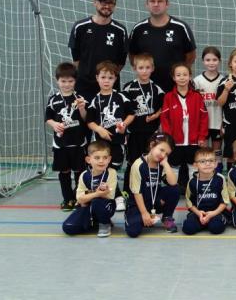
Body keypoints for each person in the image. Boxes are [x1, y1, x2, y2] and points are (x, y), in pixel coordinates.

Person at [84, 61, 135, 212]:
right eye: (103, 77)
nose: (106, 81)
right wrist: (99, 129)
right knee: (103, 168)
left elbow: (132, 114)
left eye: (110, 78)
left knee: (114, 168)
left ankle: (114, 194)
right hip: (101, 143)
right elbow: (89, 121)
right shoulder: (95, 100)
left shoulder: (121, 97)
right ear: (97, 78)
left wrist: (124, 124)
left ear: (115, 79)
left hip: (118, 141)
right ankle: (116, 197)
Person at [128, 0, 197, 92]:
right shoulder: (138, 29)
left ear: (167, 4)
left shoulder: (180, 27)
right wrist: (144, 73)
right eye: (152, 1)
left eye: (160, 1)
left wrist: (179, 74)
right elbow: (133, 56)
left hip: (175, 87)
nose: (156, 4)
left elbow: (191, 56)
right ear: (147, 4)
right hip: (148, 88)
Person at [68, 0, 128, 99]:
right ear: (95, 3)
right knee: (84, 115)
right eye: (102, 1)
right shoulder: (80, 27)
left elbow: (121, 62)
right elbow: (76, 60)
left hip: (109, 87)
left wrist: (106, 78)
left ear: (115, 5)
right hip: (84, 87)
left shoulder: (120, 30)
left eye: (110, 2)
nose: (106, 5)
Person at [45, 62, 88, 211]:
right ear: (57, 81)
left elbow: (85, 119)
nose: (67, 84)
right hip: (61, 144)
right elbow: (48, 118)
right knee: (64, 172)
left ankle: (78, 198)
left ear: (75, 81)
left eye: (70, 81)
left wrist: (82, 109)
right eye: (63, 81)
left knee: (79, 172)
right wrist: (54, 124)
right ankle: (67, 199)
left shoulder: (80, 98)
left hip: (77, 143)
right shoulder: (53, 99)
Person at [121, 53, 165, 195]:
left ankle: (152, 190)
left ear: (152, 68)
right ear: (135, 68)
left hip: (151, 133)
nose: (144, 71)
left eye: (147, 67)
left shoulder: (157, 89)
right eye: (141, 68)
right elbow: (124, 111)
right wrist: (125, 129)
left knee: (152, 160)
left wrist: (155, 116)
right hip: (133, 133)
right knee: (133, 162)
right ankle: (128, 191)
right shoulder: (128, 88)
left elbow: (163, 108)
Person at [161, 62, 208, 189]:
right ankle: (173, 191)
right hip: (175, 141)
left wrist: (202, 136)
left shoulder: (197, 97)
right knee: (174, 166)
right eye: (178, 75)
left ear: (190, 76)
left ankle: (194, 191)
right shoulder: (169, 97)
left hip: (193, 141)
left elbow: (204, 117)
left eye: (185, 74)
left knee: (193, 166)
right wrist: (168, 139)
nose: (182, 77)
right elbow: (164, 119)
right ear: (173, 78)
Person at [124, 133, 180, 237]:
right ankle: (132, 215)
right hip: (138, 203)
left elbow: (173, 183)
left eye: (167, 154)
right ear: (152, 145)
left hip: (154, 201)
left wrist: (166, 164)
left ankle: (167, 217)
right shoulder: (138, 165)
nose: (163, 155)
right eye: (161, 150)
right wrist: (144, 213)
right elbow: (137, 192)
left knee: (175, 189)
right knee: (133, 231)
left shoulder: (161, 164)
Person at [62, 141, 117, 238]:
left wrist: (88, 196)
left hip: (106, 205)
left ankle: (105, 223)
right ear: (88, 159)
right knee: (68, 227)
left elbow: (109, 195)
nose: (101, 161)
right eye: (97, 158)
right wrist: (97, 193)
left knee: (97, 202)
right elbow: (79, 199)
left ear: (109, 159)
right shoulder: (84, 175)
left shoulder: (112, 173)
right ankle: (93, 222)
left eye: (105, 158)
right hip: (87, 207)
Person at [182, 148, 230, 235]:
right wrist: (199, 213)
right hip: (198, 213)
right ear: (195, 165)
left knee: (216, 228)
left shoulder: (220, 179)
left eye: (211, 161)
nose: (207, 164)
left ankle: (209, 223)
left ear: (216, 164)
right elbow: (189, 202)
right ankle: (203, 222)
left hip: (216, 212)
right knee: (188, 228)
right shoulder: (192, 181)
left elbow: (225, 201)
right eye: (203, 161)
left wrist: (213, 214)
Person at [193, 47, 225, 170]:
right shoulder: (197, 81)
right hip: (203, 123)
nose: (211, 62)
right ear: (202, 61)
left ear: (219, 61)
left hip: (217, 122)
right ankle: (204, 170)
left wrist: (223, 123)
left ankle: (218, 169)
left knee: (217, 149)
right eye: (208, 60)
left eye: (214, 59)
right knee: (204, 149)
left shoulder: (223, 80)